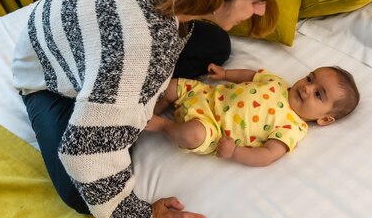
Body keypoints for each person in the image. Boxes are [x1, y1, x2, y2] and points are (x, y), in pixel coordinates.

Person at [11, 0, 287, 218]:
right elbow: (83, 154)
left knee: (216, 46)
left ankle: (122, 103)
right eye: (255, 1)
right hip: (47, 74)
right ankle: (102, 108)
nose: (259, 11)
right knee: (80, 192)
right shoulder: (141, 51)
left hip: (66, 34)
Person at [147, 63, 360, 167]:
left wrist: (235, 152)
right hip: (205, 94)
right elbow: (251, 75)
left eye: (318, 94)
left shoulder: (293, 127)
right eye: (310, 79)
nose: (306, 88)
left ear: (324, 119)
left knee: (192, 135)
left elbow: (268, 155)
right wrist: (225, 75)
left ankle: (162, 125)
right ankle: (147, 112)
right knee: (171, 87)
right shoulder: (277, 82)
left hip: (210, 128)